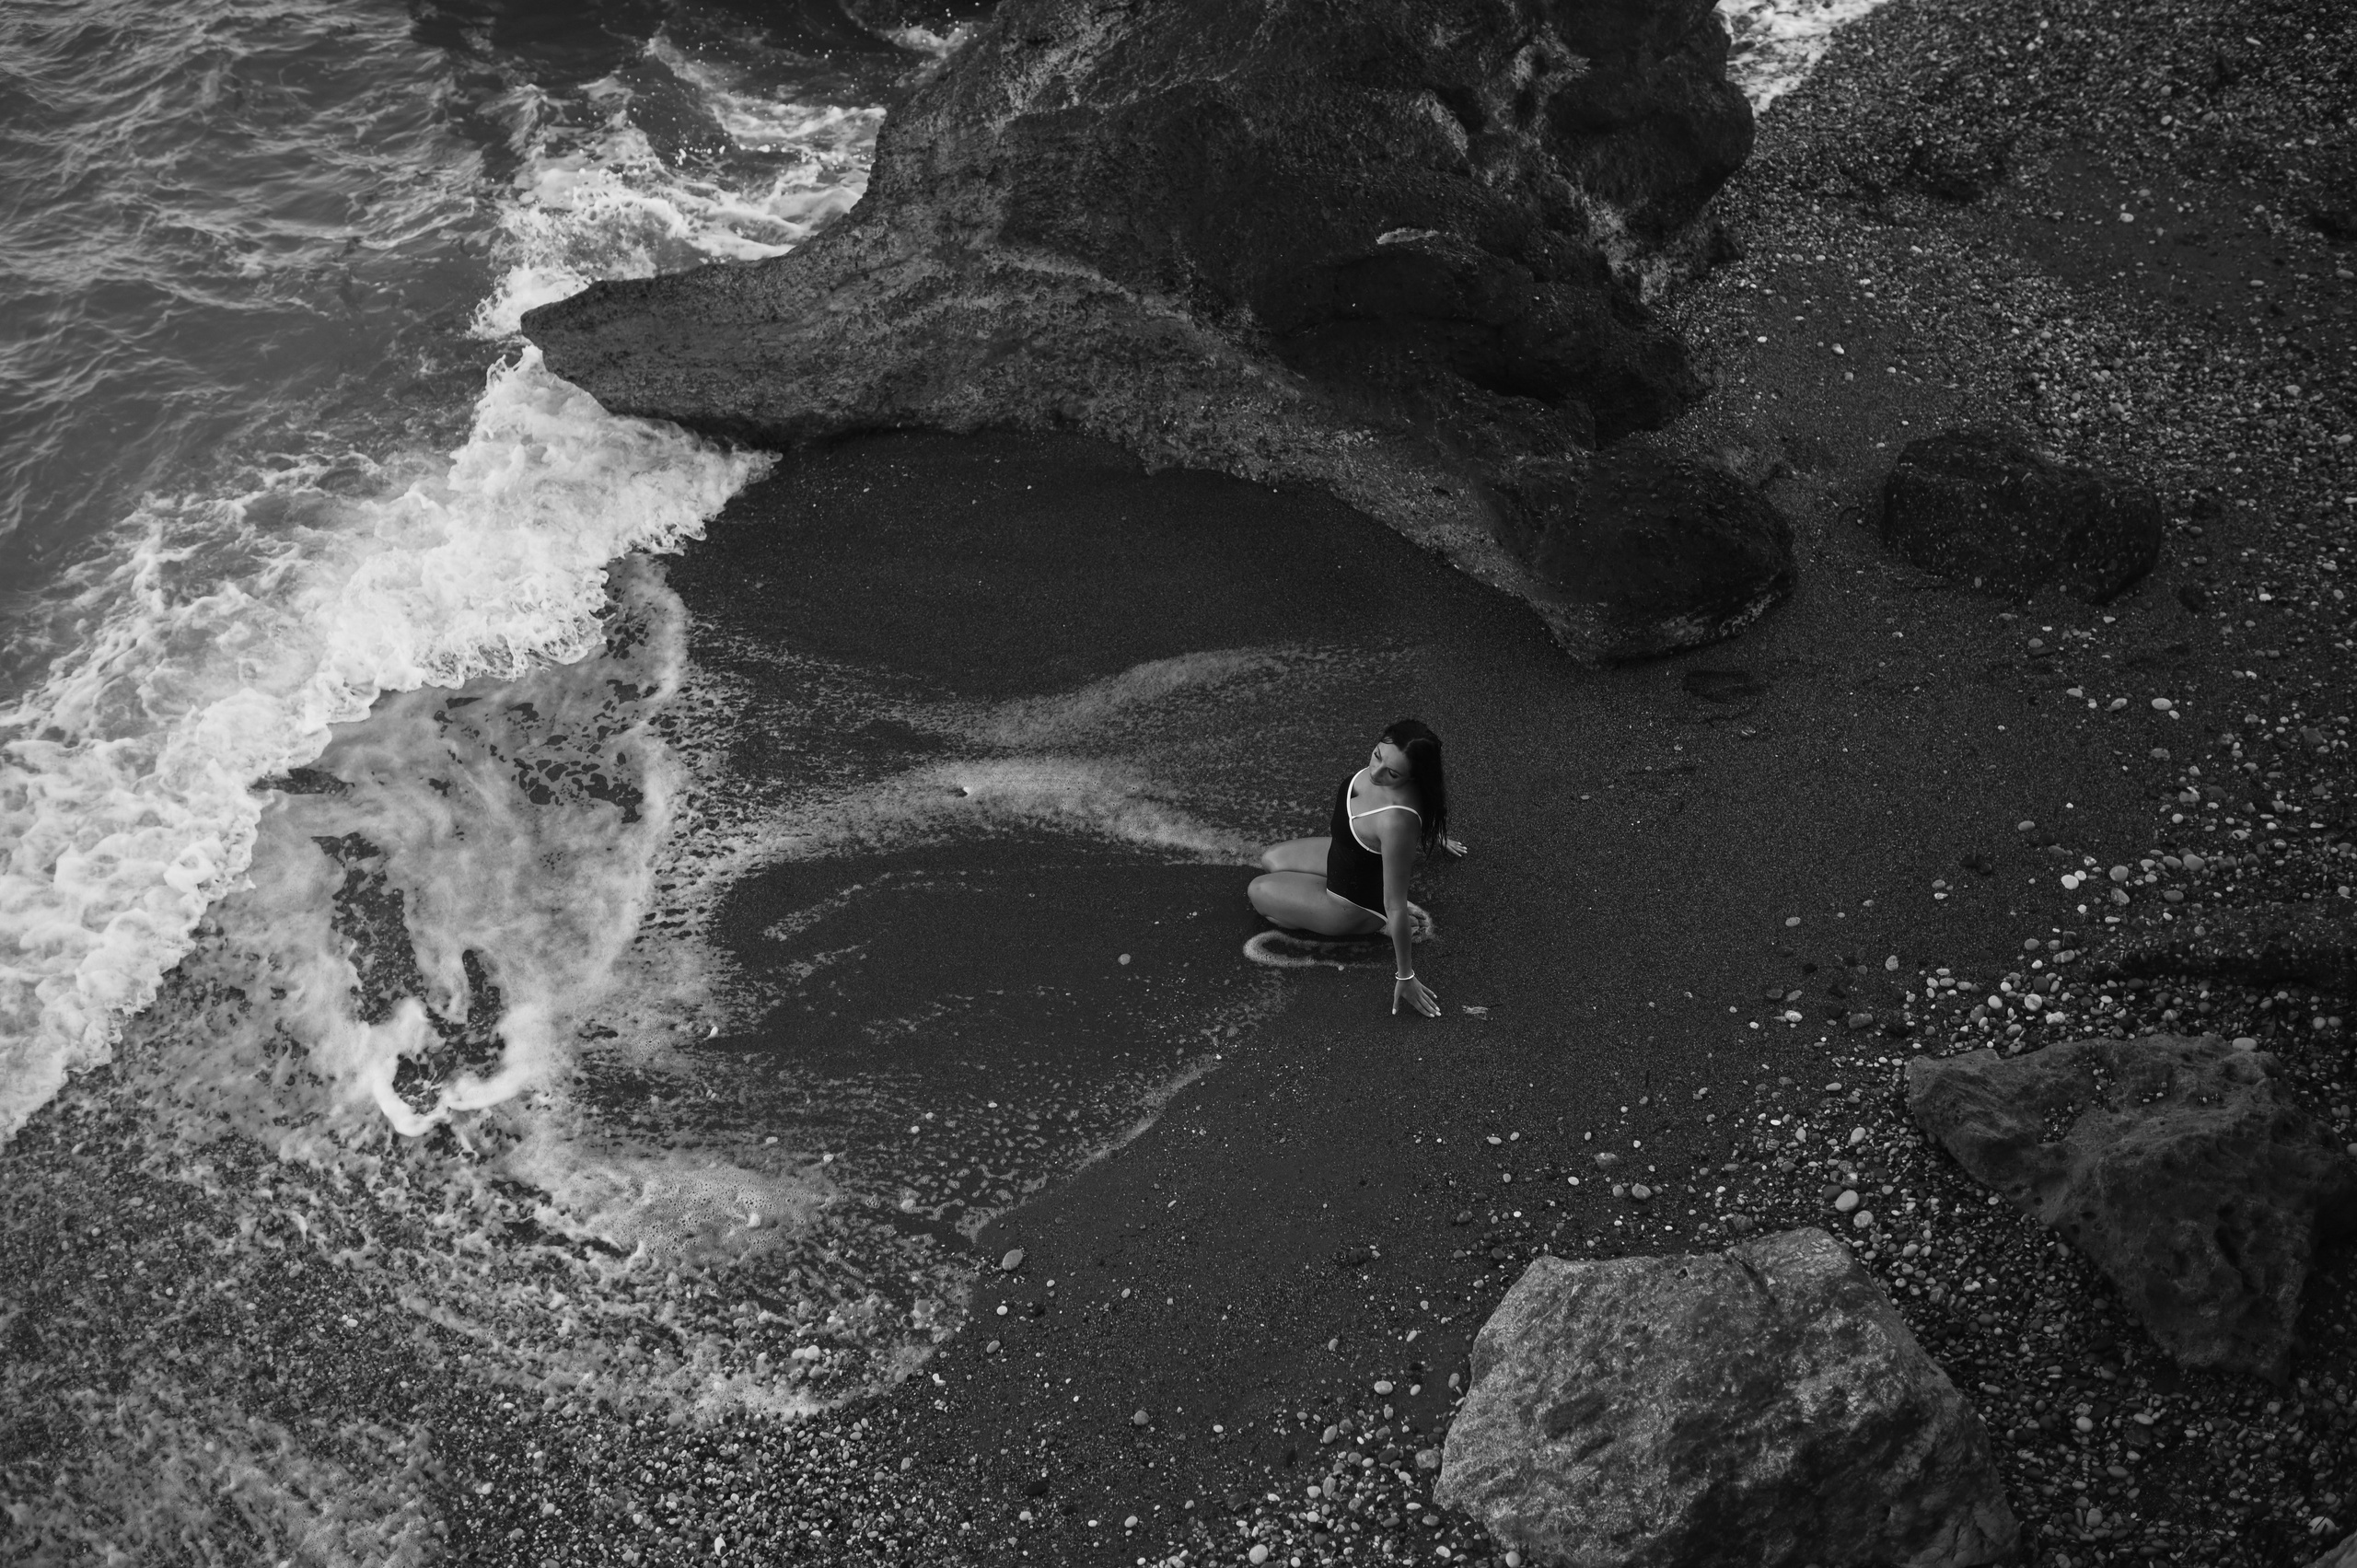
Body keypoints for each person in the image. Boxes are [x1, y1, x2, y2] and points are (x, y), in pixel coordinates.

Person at [1248, 719, 1450, 1016]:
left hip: (1348, 901)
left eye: (1392, 774)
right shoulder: (1395, 775)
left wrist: (1405, 976)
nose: (1376, 772)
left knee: (1258, 891)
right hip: (1343, 854)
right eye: (1378, 755)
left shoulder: (1398, 822)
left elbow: (1396, 905)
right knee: (1270, 860)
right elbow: (1427, 805)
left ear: (1412, 778)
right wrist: (1440, 837)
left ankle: (1371, 924)